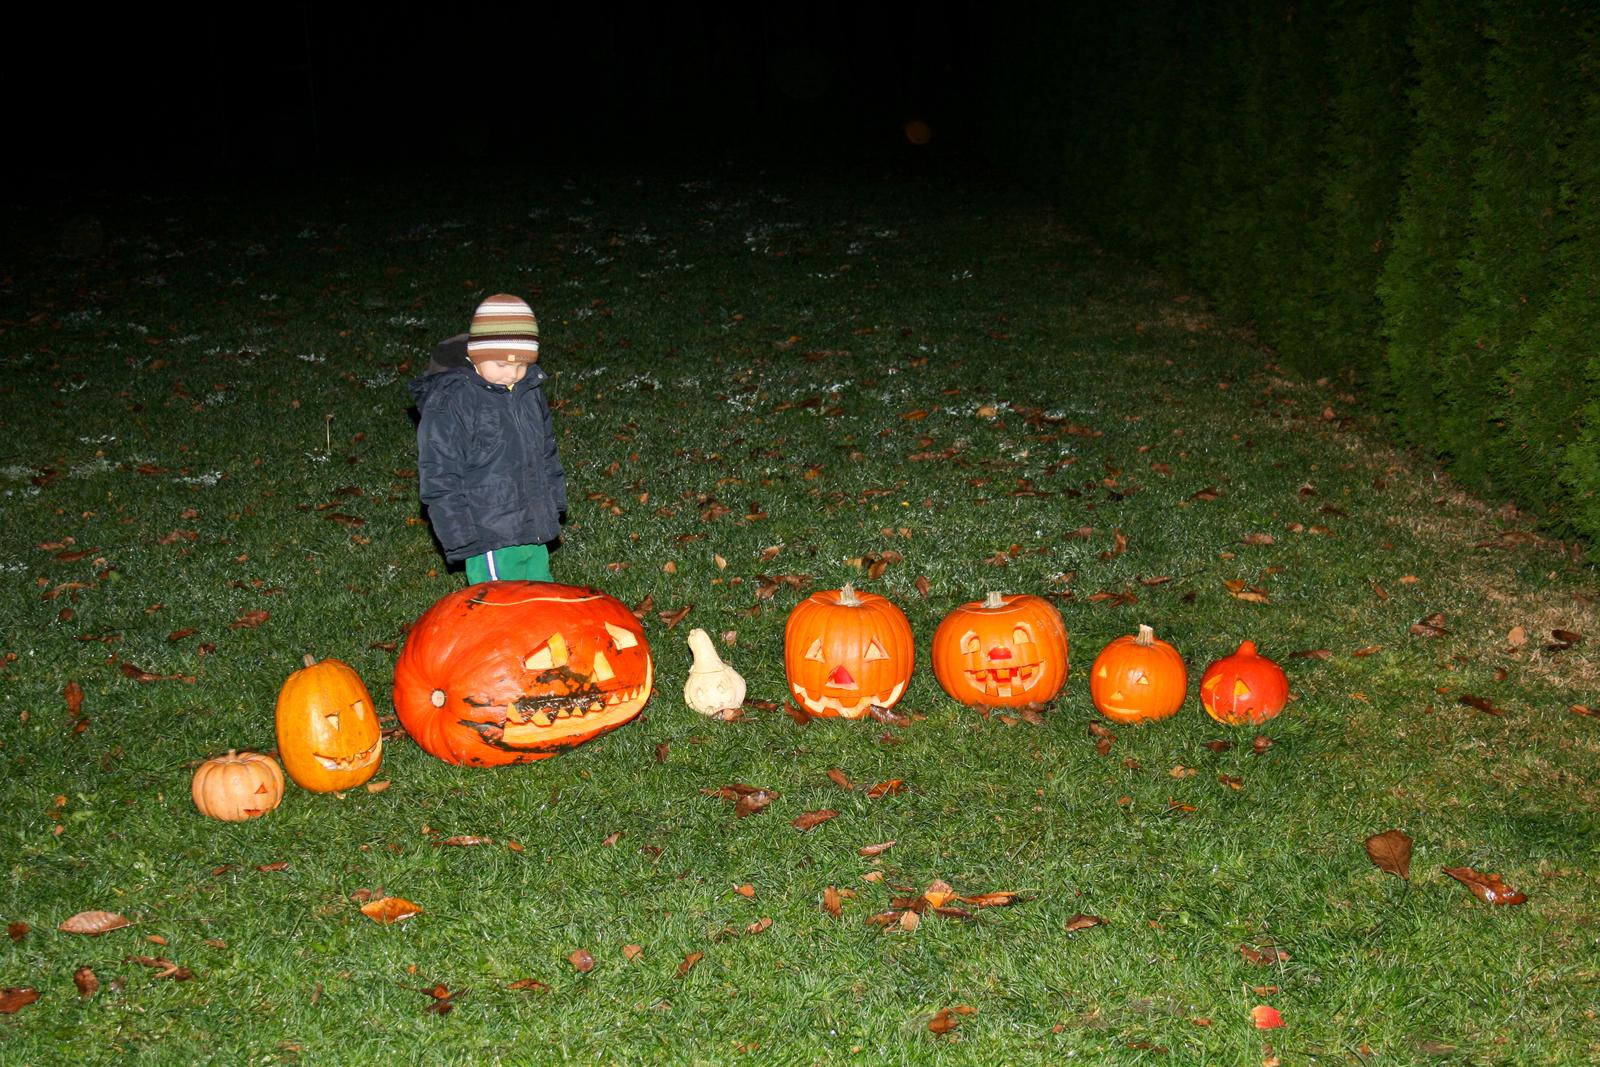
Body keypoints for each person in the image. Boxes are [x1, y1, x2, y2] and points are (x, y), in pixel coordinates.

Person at [410, 294, 565, 583]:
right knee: (501, 603)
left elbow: (546, 451)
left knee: (542, 595)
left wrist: (553, 503)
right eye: (501, 365)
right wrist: (461, 535)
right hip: (489, 533)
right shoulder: (453, 402)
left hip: (534, 525)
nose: (512, 375)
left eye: (521, 365)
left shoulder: (528, 390)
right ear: (475, 356)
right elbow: (440, 474)